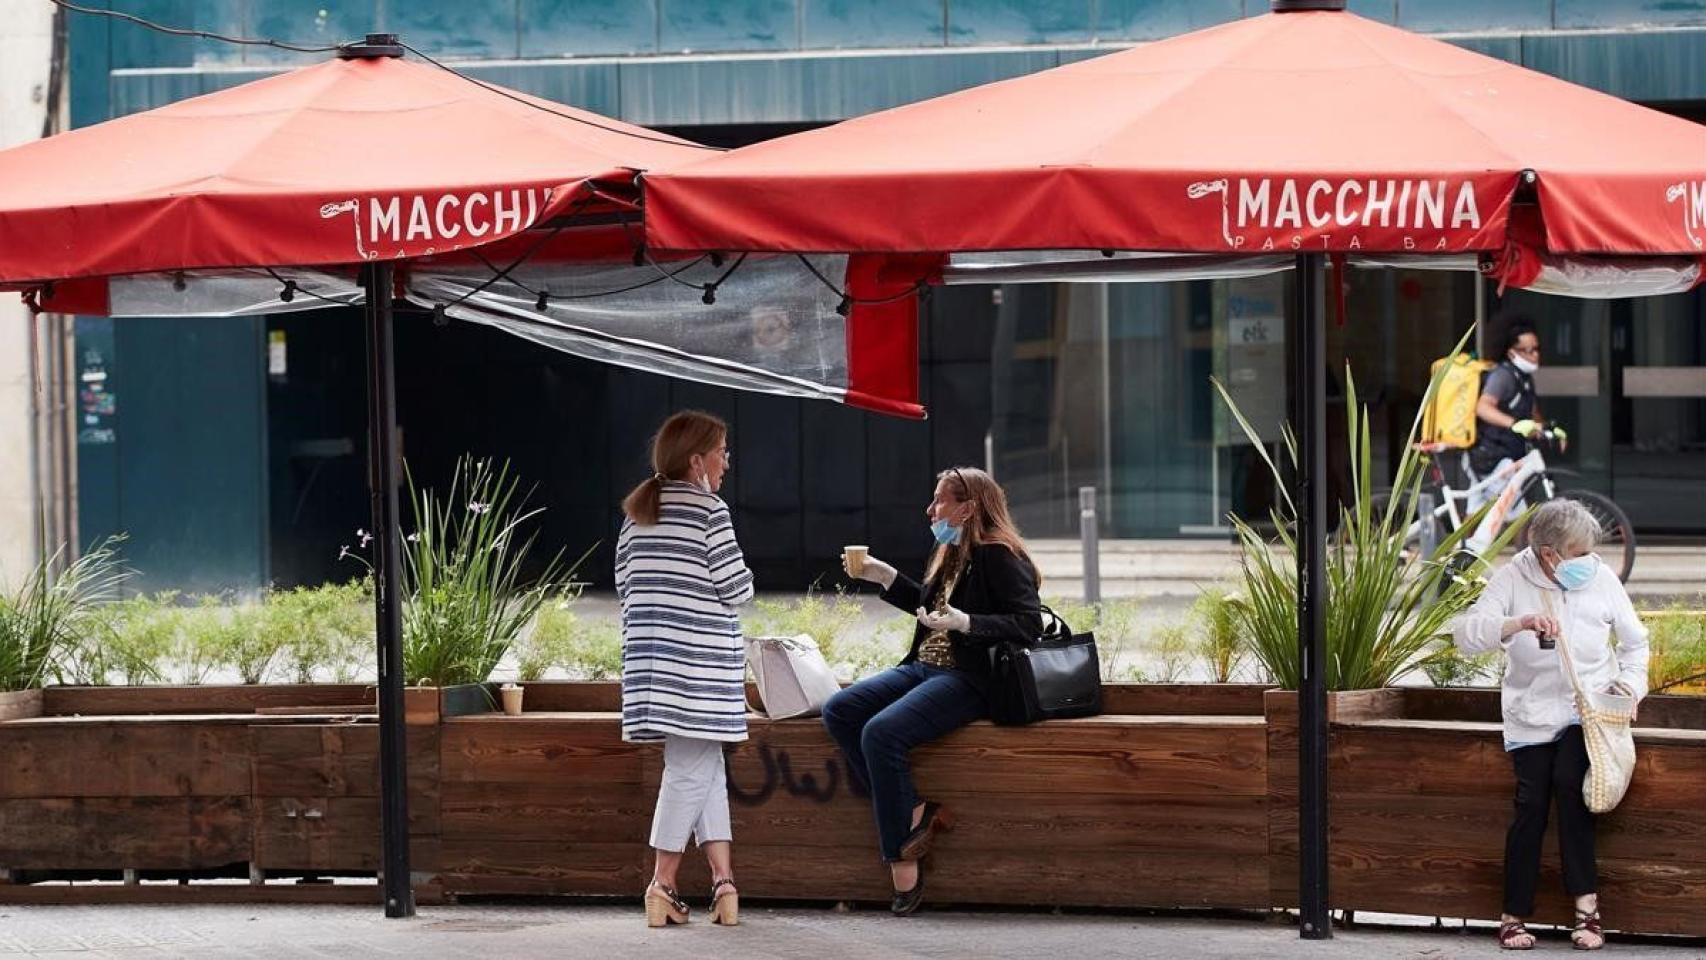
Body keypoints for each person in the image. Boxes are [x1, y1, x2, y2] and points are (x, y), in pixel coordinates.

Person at [824, 466, 1043, 916]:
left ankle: (902, 858)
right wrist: (886, 578)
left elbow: (1028, 624)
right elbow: (929, 611)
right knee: (841, 710)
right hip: (923, 667)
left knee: (881, 734)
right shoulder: (948, 548)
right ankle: (915, 811)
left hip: (968, 679)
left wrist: (969, 623)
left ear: (968, 508)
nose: (930, 510)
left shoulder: (1000, 555)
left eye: (940, 501)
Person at [1451, 499, 1649, 951]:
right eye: (1579, 553)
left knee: (1571, 787)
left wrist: (1629, 687)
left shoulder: (1600, 579)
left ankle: (1587, 909)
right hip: (1531, 713)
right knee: (1531, 803)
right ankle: (1513, 915)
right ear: (1548, 553)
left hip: (1588, 712)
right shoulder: (1512, 578)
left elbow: (1637, 644)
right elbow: (1466, 634)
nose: (1589, 562)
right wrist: (1517, 623)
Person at [616, 410, 754, 928]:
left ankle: (724, 884)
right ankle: (662, 883)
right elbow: (736, 587)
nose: (727, 461)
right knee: (690, 770)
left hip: (654, 667)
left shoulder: (637, 512)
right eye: (721, 451)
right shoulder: (708, 511)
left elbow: (625, 587)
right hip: (699, 669)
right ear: (697, 460)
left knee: (704, 766)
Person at [1469, 316, 1568, 482]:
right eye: (1529, 351)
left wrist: (1546, 429)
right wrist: (1515, 424)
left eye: (1537, 349)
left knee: (1500, 505)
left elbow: (1532, 413)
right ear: (1511, 352)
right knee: (1510, 505)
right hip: (1491, 456)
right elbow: (1483, 408)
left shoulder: (1525, 377)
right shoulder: (1503, 376)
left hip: (1510, 453)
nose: (1536, 355)